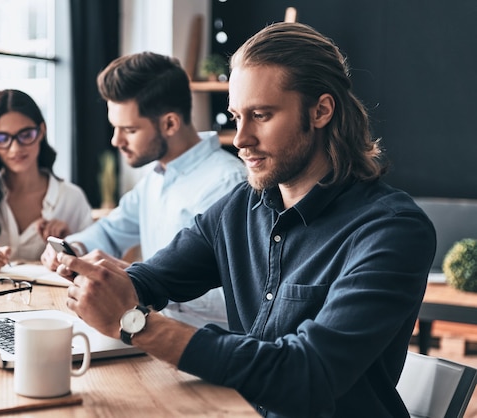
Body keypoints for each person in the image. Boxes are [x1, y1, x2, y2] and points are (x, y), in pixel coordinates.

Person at [56, 22, 437, 417]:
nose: (240, 139)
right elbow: (154, 279)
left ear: (321, 111)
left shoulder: (392, 230)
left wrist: (137, 323)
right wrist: (104, 284)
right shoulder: (241, 206)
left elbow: (305, 374)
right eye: (237, 116)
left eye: (260, 115)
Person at [40, 51, 246, 328]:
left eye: (129, 130)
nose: (116, 140)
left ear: (170, 123)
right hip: (150, 333)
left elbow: (239, 299)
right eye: (115, 127)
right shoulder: (156, 177)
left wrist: (144, 284)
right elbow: (111, 230)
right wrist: (73, 248)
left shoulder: (229, 185)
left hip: (202, 347)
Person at [0, 89, 92, 274]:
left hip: (50, 301)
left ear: (41, 132)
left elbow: (93, 258)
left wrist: (70, 243)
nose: (15, 148)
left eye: (26, 135)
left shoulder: (71, 198)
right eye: (2, 138)